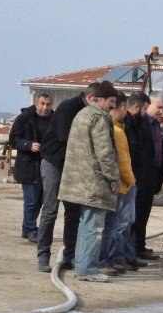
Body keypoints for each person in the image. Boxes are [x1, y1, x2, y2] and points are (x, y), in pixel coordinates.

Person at [59, 80, 120, 283]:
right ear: (99, 100)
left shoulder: (82, 114)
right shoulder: (99, 118)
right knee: (93, 228)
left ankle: (82, 265)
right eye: (111, 101)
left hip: (78, 180)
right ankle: (87, 270)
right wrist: (113, 178)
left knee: (85, 226)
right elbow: (105, 153)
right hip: (93, 182)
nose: (113, 105)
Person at [36, 83, 100, 273]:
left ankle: (69, 256)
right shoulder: (68, 107)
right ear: (91, 98)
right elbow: (66, 137)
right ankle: (43, 255)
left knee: (73, 211)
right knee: (50, 210)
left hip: (73, 165)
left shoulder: (92, 112)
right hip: (54, 162)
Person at [99, 91, 136, 276]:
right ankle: (108, 259)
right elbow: (123, 160)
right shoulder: (118, 131)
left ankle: (111, 258)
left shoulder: (111, 128)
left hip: (117, 184)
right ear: (122, 108)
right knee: (115, 226)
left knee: (114, 226)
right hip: (121, 185)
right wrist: (130, 181)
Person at [9, 94, 53, 243]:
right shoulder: (24, 118)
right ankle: (30, 229)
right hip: (28, 165)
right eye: (42, 104)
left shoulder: (54, 119)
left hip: (46, 165)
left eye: (48, 104)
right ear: (36, 104)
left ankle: (26, 228)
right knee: (31, 200)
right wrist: (29, 145)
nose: (45, 107)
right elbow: (13, 139)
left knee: (40, 201)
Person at [123, 91, 159, 263]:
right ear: (136, 107)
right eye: (145, 108)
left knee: (137, 217)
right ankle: (125, 255)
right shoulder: (127, 123)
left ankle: (135, 250)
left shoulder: (142, 122)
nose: (146, 112)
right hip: (130, 178)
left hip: (143, 177)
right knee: (126, 220)